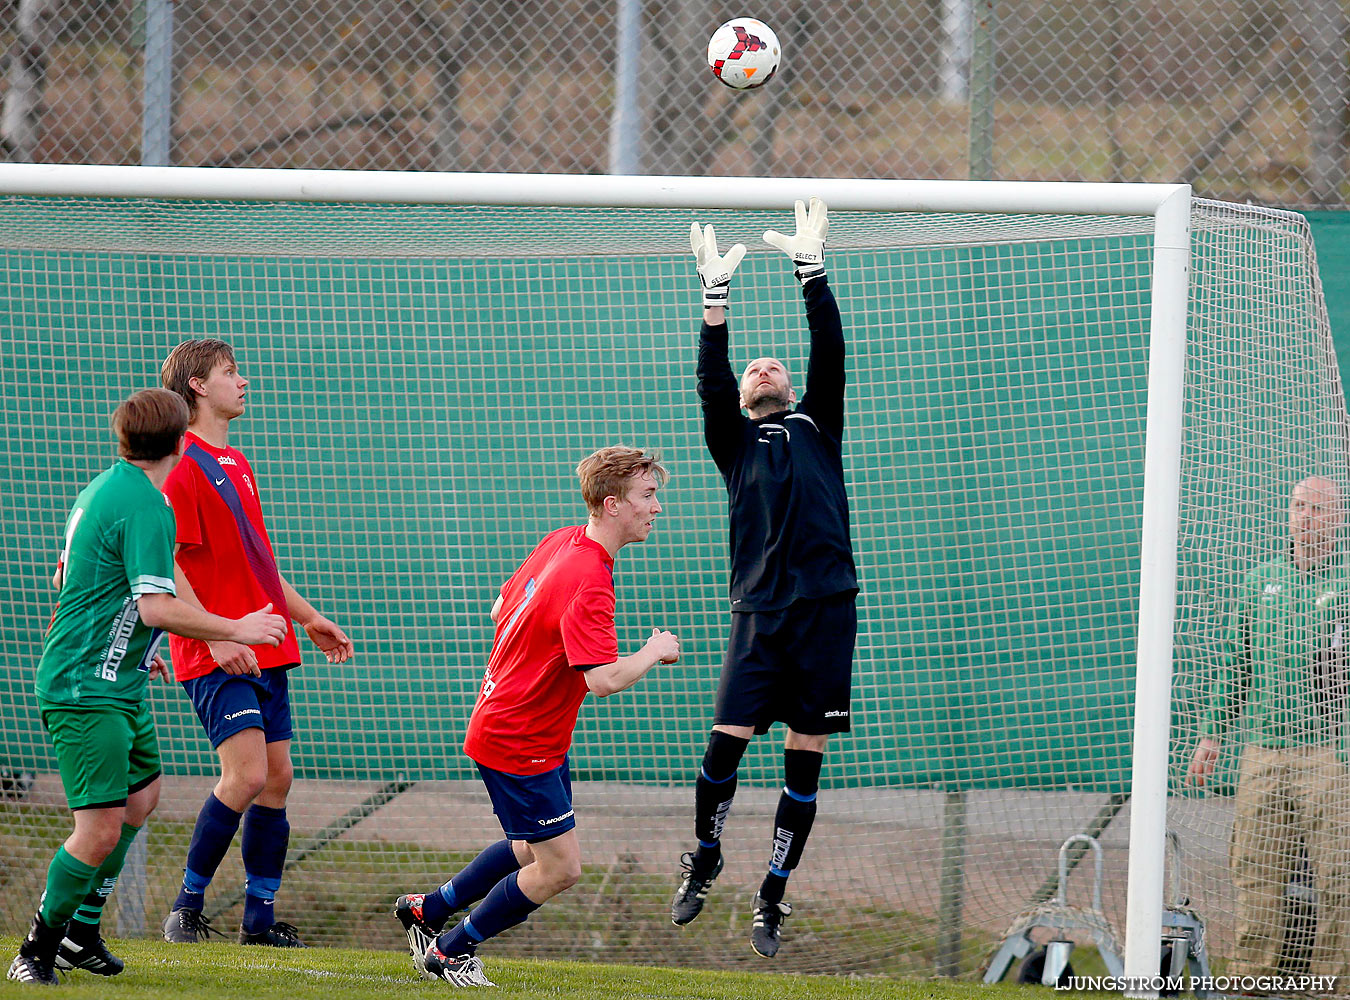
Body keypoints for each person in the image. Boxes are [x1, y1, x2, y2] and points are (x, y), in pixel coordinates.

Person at [7, 389, 288, 985]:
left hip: (116, 680)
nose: (240, 382)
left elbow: (75, 577)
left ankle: (82, 931)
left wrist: (132, 648)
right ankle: (36, 948)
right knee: (99, 826)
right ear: (181, 436)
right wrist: (233, 628)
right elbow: (158, 607)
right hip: (85, 689)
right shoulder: (147, 506)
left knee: (141, 799)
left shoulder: (109, 489)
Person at [393, 446, 680, 987]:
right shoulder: (590, 578)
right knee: (561, 868)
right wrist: (654, 649)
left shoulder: (562, 539)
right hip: (520, 738)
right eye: (648, 495)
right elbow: (603, 681)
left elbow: (502, 608)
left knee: (530, 846)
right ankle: (453, 950)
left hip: (514, 724)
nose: (657, 507)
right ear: (612, 504)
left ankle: (430, 910)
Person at [669, 198, 858, 959]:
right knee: (726, 746)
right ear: (745, 399)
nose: (763, 367)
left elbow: (830, 352)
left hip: (826, 611)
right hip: (759, 613)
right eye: (754, 368)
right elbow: (711, 380)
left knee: (804, 753)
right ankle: (706, 855)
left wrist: (811, 274)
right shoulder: (734, 443)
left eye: (770, 363)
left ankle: (773, 893)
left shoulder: (819, 423)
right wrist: (715, 303)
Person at [157, 339, 354, 948]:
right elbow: (163, 560)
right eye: (229, 373)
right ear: (197, 386)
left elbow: (257, 564)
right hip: (216, 650)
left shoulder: (236, 462)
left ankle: (259, 922)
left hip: (266, 644)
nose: (242, 382)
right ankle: (185, 911)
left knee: (275, 780)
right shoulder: (182, 461)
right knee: (243, 777)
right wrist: (214, 637)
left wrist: (311, 617)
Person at [1190, 475, 1350, 979]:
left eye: (1318, 510)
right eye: (1299, 507)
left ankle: (1334, 981)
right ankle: (1250, 975)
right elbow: (1236, 664)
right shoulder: (1260, 582)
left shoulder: (1345, 583)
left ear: (1338, 519)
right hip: (1263, 750)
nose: (1306, 517)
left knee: (1338, 873)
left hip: (1329, 754)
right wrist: (1213, 734)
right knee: (1255, 866)